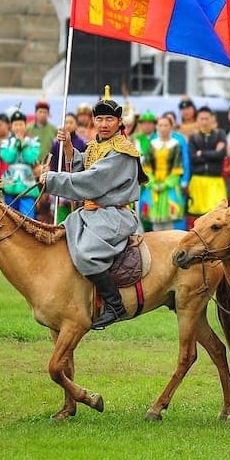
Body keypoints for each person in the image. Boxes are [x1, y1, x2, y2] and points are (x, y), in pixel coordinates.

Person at [40, 97, 148, 330]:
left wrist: (51, 180)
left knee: (87, 253)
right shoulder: (95, 146)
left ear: (120, 122)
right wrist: (69, 148)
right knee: (63, 238)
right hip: (91, 213)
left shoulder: (122, 151)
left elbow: (93, 181)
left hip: (115, 215)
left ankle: (115, 305)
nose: (104, 124)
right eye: (99, 119)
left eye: (109, 119)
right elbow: (83, 166)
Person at [141, 115, 186, 231]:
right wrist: (152, 183)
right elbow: (147, 166)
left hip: (169, 186)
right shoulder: (153, 144)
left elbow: (177, 167)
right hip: (153, 186)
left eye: (166, 125)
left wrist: (165, 184)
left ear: (171, 127)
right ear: (156, 127)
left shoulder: (175, 145)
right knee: (155, 222)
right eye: (160, 125)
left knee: (169, 222)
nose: (162, 128)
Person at [186, 107, 227, 225]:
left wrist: (202, 153)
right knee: (197, 216)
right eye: (201, 119)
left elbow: (221, 155)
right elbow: (193, 157)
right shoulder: (193, 137)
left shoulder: (220, 134)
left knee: (218, 214)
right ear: (197, 120)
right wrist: (212, 153)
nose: (204, 121)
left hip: (215, 180)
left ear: (212, 119)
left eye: (206, 118)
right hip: (198, 180)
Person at [0, 109, 41, 217]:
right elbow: (8, 158)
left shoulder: (33, 142)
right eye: (16, 124)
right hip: (10, 184)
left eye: (21, 124)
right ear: (11, 126)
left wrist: (23, 144)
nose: (18, 127)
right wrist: (16, 144)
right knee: (10, 217)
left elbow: (30, 158)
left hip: (27, 185)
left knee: (27, 218)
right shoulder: (6, 142)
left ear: (25, 126)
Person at [50, 112, 87, 223]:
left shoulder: (82, 143)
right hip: (61, 181)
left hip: (76, 181)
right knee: (60, 216)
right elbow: (53, 162)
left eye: (71, 122)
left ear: (76, 124)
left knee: (75, 215)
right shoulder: (57, 144)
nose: (68, 125)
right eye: (66, 122)